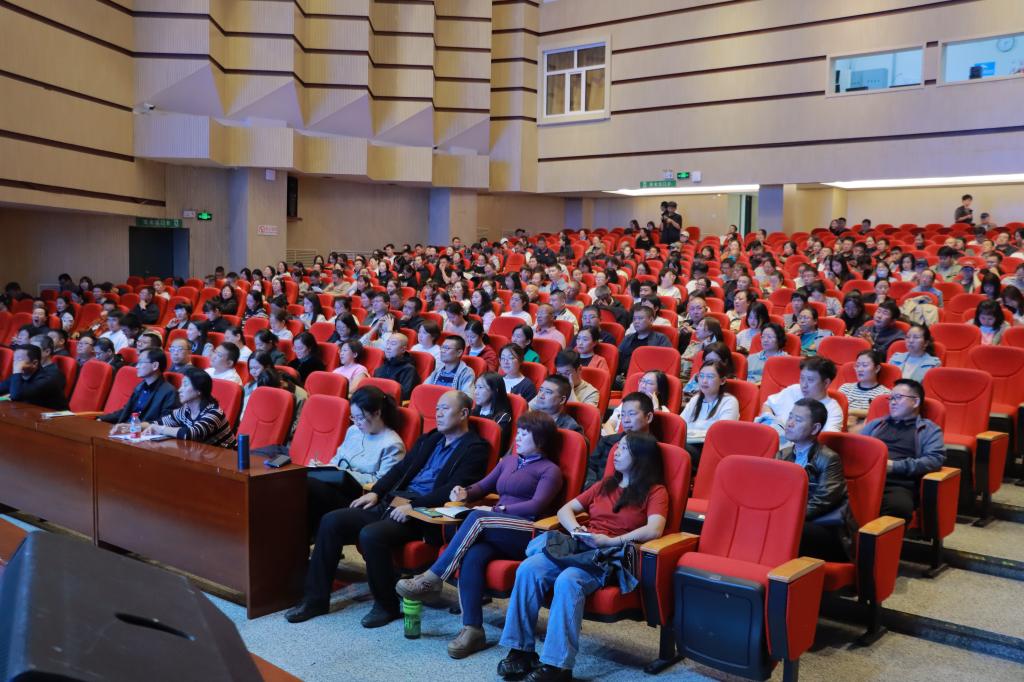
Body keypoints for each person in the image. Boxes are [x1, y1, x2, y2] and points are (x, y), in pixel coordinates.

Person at [284, 391, 489, 627]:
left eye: (445, 408)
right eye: (437, 409)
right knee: (332, 521)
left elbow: (452, 490)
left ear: (463, 413)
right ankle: (315, 600)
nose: (438, 414)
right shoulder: (431, 439)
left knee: (371, 534)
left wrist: (414, 506)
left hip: (423, 515)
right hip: (393, 503)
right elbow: (400, 470)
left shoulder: (475, 448)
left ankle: (386, 606)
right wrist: (377, 491)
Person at [496, 432, 668, 681]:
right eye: (617, 447)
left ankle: (558, 666)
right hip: (581, 547)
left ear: (641, 457)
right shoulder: (605, 484)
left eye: (624, 449)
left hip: (609, 555)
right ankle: (520, 651)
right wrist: (577, 529)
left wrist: (611, 541)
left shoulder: (655, 491)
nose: (616, 452)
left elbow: (654, 529)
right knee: (528, 568)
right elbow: (565, 510)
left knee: (568, 580)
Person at [395, 411, 565, 659]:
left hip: (525, 531)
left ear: (540, 439)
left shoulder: (550, 470)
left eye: (524, 433)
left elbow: (537, 505)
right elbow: (483, 486)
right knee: (473, 554)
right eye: (518, 432)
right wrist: (464, 492)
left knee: (477, 517)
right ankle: (473, 629)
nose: (517, 437)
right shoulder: (509, 461)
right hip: (494, 527)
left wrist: (498, 510)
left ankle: (433, 578)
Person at [305, 386, 406, 532]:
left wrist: (344, 472)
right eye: (353, 417)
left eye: (360, 417)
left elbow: (382, 483)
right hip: (336, 485)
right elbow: (337, 459)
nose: (356, 422)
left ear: (377, 413)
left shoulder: (392, 444)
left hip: (359, 497)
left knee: (308, 485)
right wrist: (323, 467)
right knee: (300, 481)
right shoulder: (353, 431)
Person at [776, 398, 852, 562]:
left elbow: (823, 501)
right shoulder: (782, 455)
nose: (789, 423)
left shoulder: (829, 458)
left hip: (824, 527)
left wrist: (787, 517)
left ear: (815, 428)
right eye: (790, 417)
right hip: (792, 520)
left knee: (785, 529)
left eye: (798, 420)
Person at [861, 379, 945, 521]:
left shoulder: (928, 429)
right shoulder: (876, 424)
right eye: (891, 398)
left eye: (898, 397)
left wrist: (894, 466)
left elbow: (935, 460)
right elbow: (857, 450)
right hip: (866, 479)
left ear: (915, 402)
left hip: (898, 484)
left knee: (898, 508)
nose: (892, 402)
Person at [138, 367, 236, 447]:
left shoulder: (214, 413)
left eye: (185, 385)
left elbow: (191, 434)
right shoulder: (185, 410)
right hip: (203, 457)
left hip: (227, 459)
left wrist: (159, 429)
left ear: (199, 390)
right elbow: (159, 423)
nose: (179, 390)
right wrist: (133, 426)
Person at [757, 356, 843, 440]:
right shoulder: (794, 390)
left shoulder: (833, 410)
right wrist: (772, 423)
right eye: (802, 378)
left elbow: (826, 441)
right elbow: (767, 405)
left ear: (826, 383)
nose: (804, 385)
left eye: (810, 380)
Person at [680, 360, 740, 469]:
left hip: (708, 451)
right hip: (688, 444)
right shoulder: (695, 399)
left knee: (679, 449)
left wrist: (691, 433)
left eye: (710, 377)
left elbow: (721, 435)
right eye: (701, 376)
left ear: (722, 381)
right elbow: (680, 425)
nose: (704, 381)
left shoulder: (729, 402)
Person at [101, 348, 179, 424]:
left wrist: (137, 427)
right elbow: (125, 411)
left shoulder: (169, 392)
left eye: (141, 362)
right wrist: (102, 418)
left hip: (141, 431)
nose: (137, 366)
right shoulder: (140, 386)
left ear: (155, 365)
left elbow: (165, 422)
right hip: (125, 428)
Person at [615, 306, 671, 388]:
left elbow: (664, 365)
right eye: (634, 319)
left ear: (651, 320)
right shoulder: (628, 338)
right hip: (624, 379)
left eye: (640, 318)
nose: (636, 322)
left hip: (647, 382)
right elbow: (617, 359)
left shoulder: (661, 339)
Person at [0, 345, 68, 410]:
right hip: (32, 412)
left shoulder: (46, 379)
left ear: (34, 363)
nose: (16, 364)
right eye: (15, 360)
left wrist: (17, 370)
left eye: (20, 360)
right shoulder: (20, 375)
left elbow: (16, 396)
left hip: (57, 415)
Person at [839, 350, 891, 427]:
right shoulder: (845, 388)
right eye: (857, 365)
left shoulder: (884, 394)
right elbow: (835, 410)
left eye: (865, 365)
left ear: (877, 368)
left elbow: (880, 416)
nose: (859, 369)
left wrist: (852, 412)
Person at [472, 372, 514, 454]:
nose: (476, 392)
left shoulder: (503, 418)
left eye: (480, 387)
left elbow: (492, 448)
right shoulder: (474, 411)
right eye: (476, 387)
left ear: (495, 391)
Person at [373, 332, 420, 400]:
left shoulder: (409, 369)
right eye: (387, 343)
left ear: (403, 349)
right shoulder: (380, 368)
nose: (388, 347)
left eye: (393, 344)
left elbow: (405, 395)